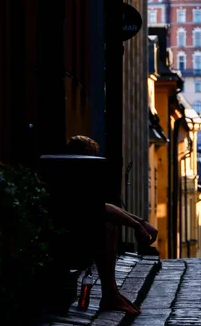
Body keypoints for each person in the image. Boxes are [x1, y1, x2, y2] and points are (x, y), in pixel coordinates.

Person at [66, 135, 158, 315]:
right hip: (65, 240)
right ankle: (110, 295)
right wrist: (138, 226)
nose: (93, 164)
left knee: (108, 226)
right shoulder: (71, 179)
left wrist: (140, 223)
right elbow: (100, 208)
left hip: (73, 235)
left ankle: (112, 294)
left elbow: (103, 206)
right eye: (89, 158)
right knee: (106, 228)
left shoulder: (79, 178)